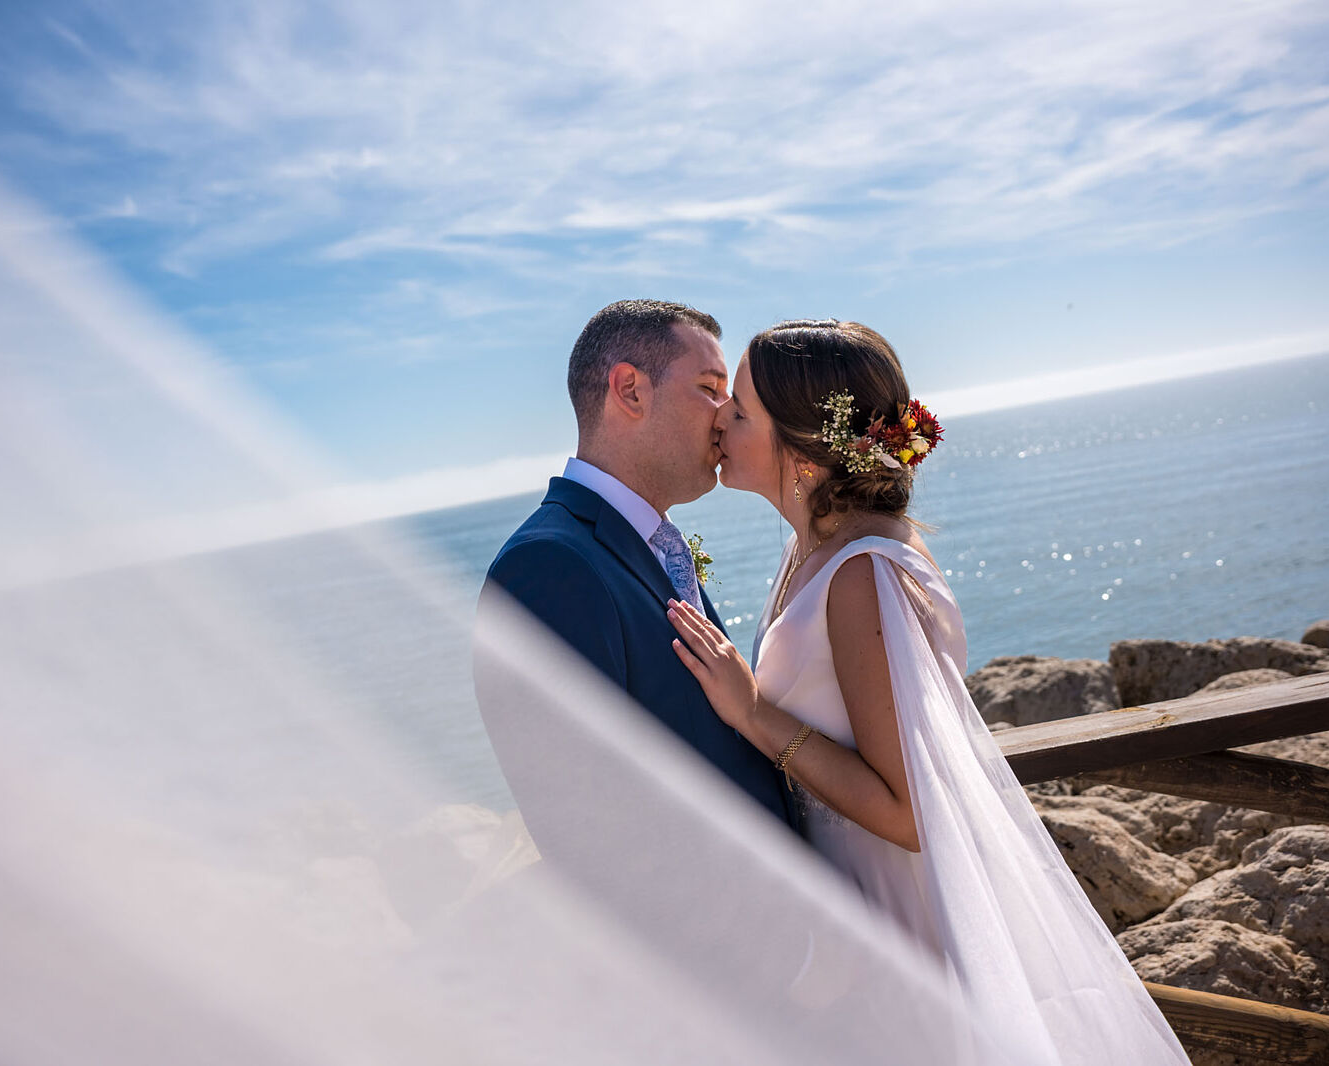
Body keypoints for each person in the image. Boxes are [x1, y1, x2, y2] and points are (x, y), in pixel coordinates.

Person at [666, 320, 1191, 1066]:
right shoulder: (814, 547)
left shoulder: (861, 575)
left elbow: (911, 814)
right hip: (844, 905)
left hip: (898, 908)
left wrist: (752, 712)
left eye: (741, 410)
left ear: (807, 449)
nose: (721, 420)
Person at [475, 300, 800, 866]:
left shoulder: (642, 541)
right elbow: (589, 837)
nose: (726, 414)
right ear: (629, 390)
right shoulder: (547, 567)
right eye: (709, 387)